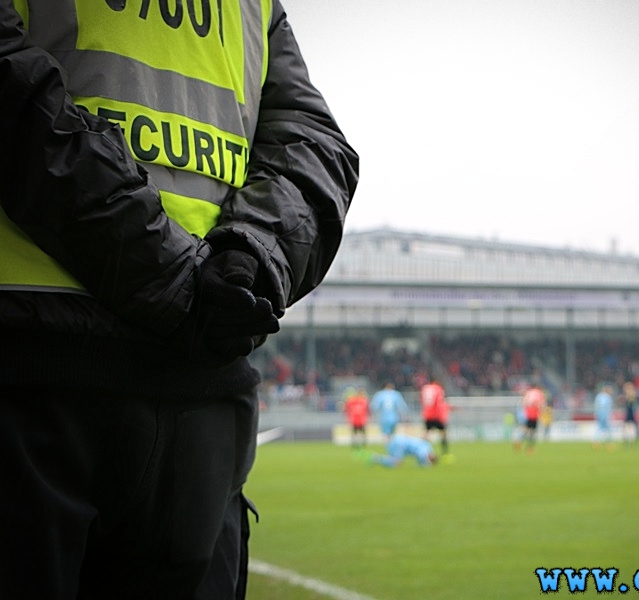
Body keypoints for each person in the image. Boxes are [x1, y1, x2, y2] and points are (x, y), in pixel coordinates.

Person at [0, 2, 359, 598]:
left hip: (177, 375)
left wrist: (249, 258)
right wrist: (191, 272)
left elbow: (315, 143)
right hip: (58, 362)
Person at [369, 434, 438, 468]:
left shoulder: (428, 446)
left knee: (392, 459)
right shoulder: (425, 450)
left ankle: (378, 458)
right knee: (397, 463)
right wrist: (426, 464)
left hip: (399, 440)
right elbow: (422, 455)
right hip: (401, 444)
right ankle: (377, 458)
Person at [420, 377, 450, 455]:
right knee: (444, 433)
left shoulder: (424, 388)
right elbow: (439, 403)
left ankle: (422, 451)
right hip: (436, 415)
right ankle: (445, 453)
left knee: (426, 433)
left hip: (427, 414)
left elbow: (421, 400)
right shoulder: (438, 388)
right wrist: (441, 416)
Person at [515, 382, 546, 452]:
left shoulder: (529, 392)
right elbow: (542, 404)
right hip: (534, 414)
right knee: (532, 431)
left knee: (527, 429)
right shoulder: (539, 393)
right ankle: (529, 448)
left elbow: (524, 402)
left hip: (527, 413)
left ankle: (519, 441)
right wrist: (541, 412)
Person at [343, 387, 370, 451]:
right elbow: (367, 410)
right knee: (360, 433)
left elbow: (346, 409)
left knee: (357, 433)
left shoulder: (351, 401)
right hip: (359, 419)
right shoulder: (363, 401)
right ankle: (360, 444)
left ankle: (357, 445)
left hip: (356, 419)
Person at [593, 384, 614, 448]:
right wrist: (607, 415)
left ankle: (596, 442)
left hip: (600, 414)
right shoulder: (606, 397)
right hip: (604, 414)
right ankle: (609, 443)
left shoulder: (599, 396)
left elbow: (597, 406)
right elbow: (604, 406)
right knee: (607, 429)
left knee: (600, 428)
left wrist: (597, 414)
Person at [620, 381, 639, 446]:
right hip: (630, 412)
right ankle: (628, 438)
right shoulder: (629, 395)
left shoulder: (631, 395)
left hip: (631, 412)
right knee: (629, 426)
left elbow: (631, 404)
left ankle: (633, 438)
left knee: (631, 426)